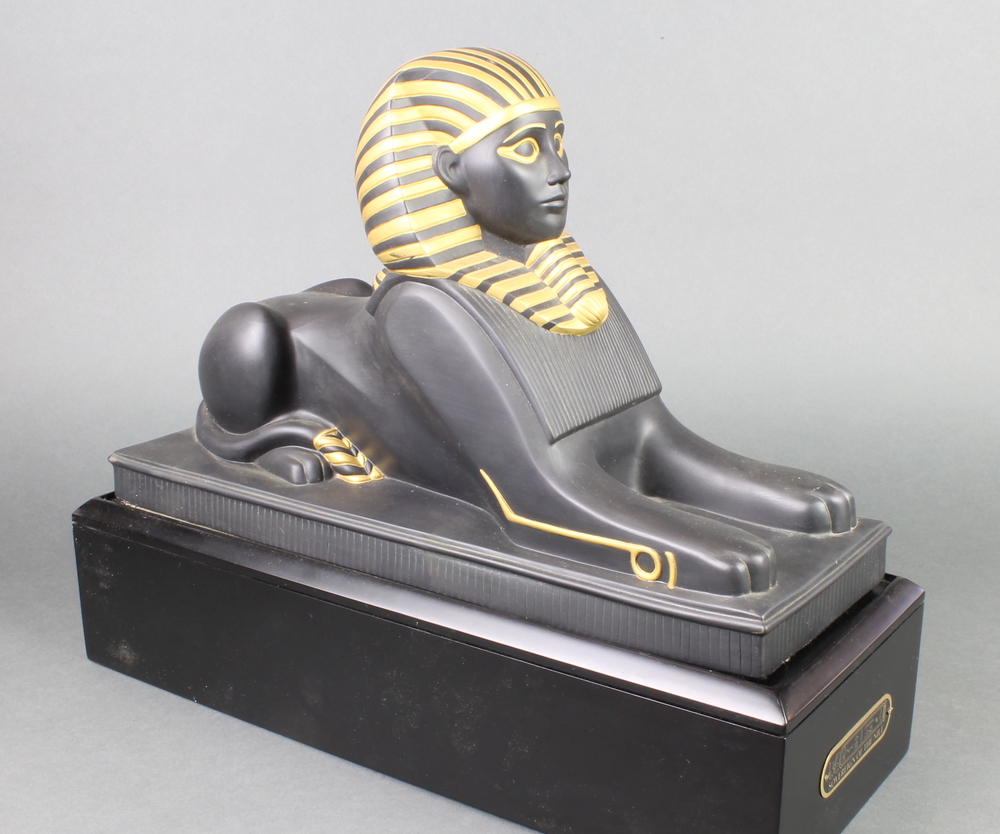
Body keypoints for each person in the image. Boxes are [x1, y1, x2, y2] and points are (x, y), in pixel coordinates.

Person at [196, 48, 856, 596]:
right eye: (525, 148)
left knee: (810, 514)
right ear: (451, 171)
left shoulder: (566, 280)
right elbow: (531, 500)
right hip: (277, 358)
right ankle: (260, 437)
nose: (560, 170)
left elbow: (653, 439)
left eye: (558, 142)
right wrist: (683, 551)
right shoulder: (423, 309)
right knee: (250, 336)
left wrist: (778, 497)